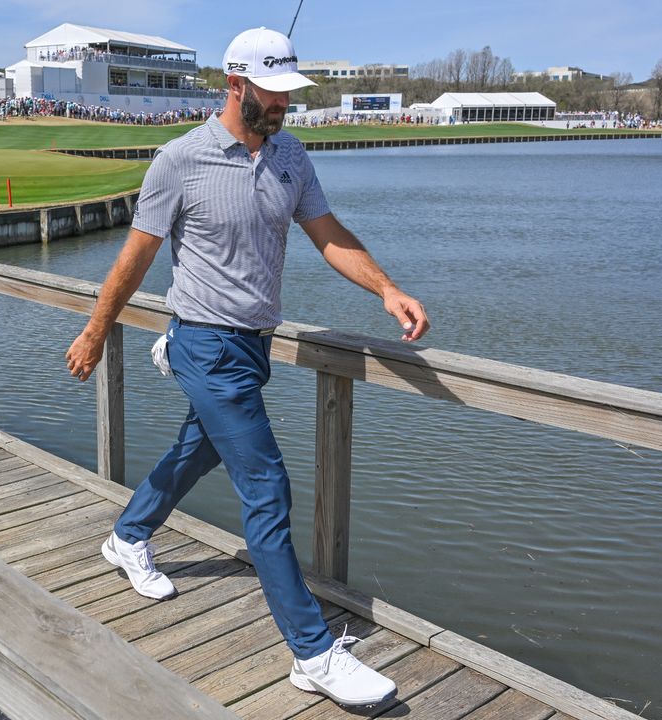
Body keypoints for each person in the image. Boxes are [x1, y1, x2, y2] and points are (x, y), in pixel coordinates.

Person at [65, 27, 429, 709]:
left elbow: (329, 235)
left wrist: (386, 287)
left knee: (197, 449)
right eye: (275, 92)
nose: (286, 105)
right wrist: (94, 332)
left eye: (291, 93)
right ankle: (312, 652)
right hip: (202, 343)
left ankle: (127, 535)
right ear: (236, 85)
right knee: (266, 486)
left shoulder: (292, 155)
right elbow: (136, 257)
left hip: (252, 346)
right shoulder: (180, 161)